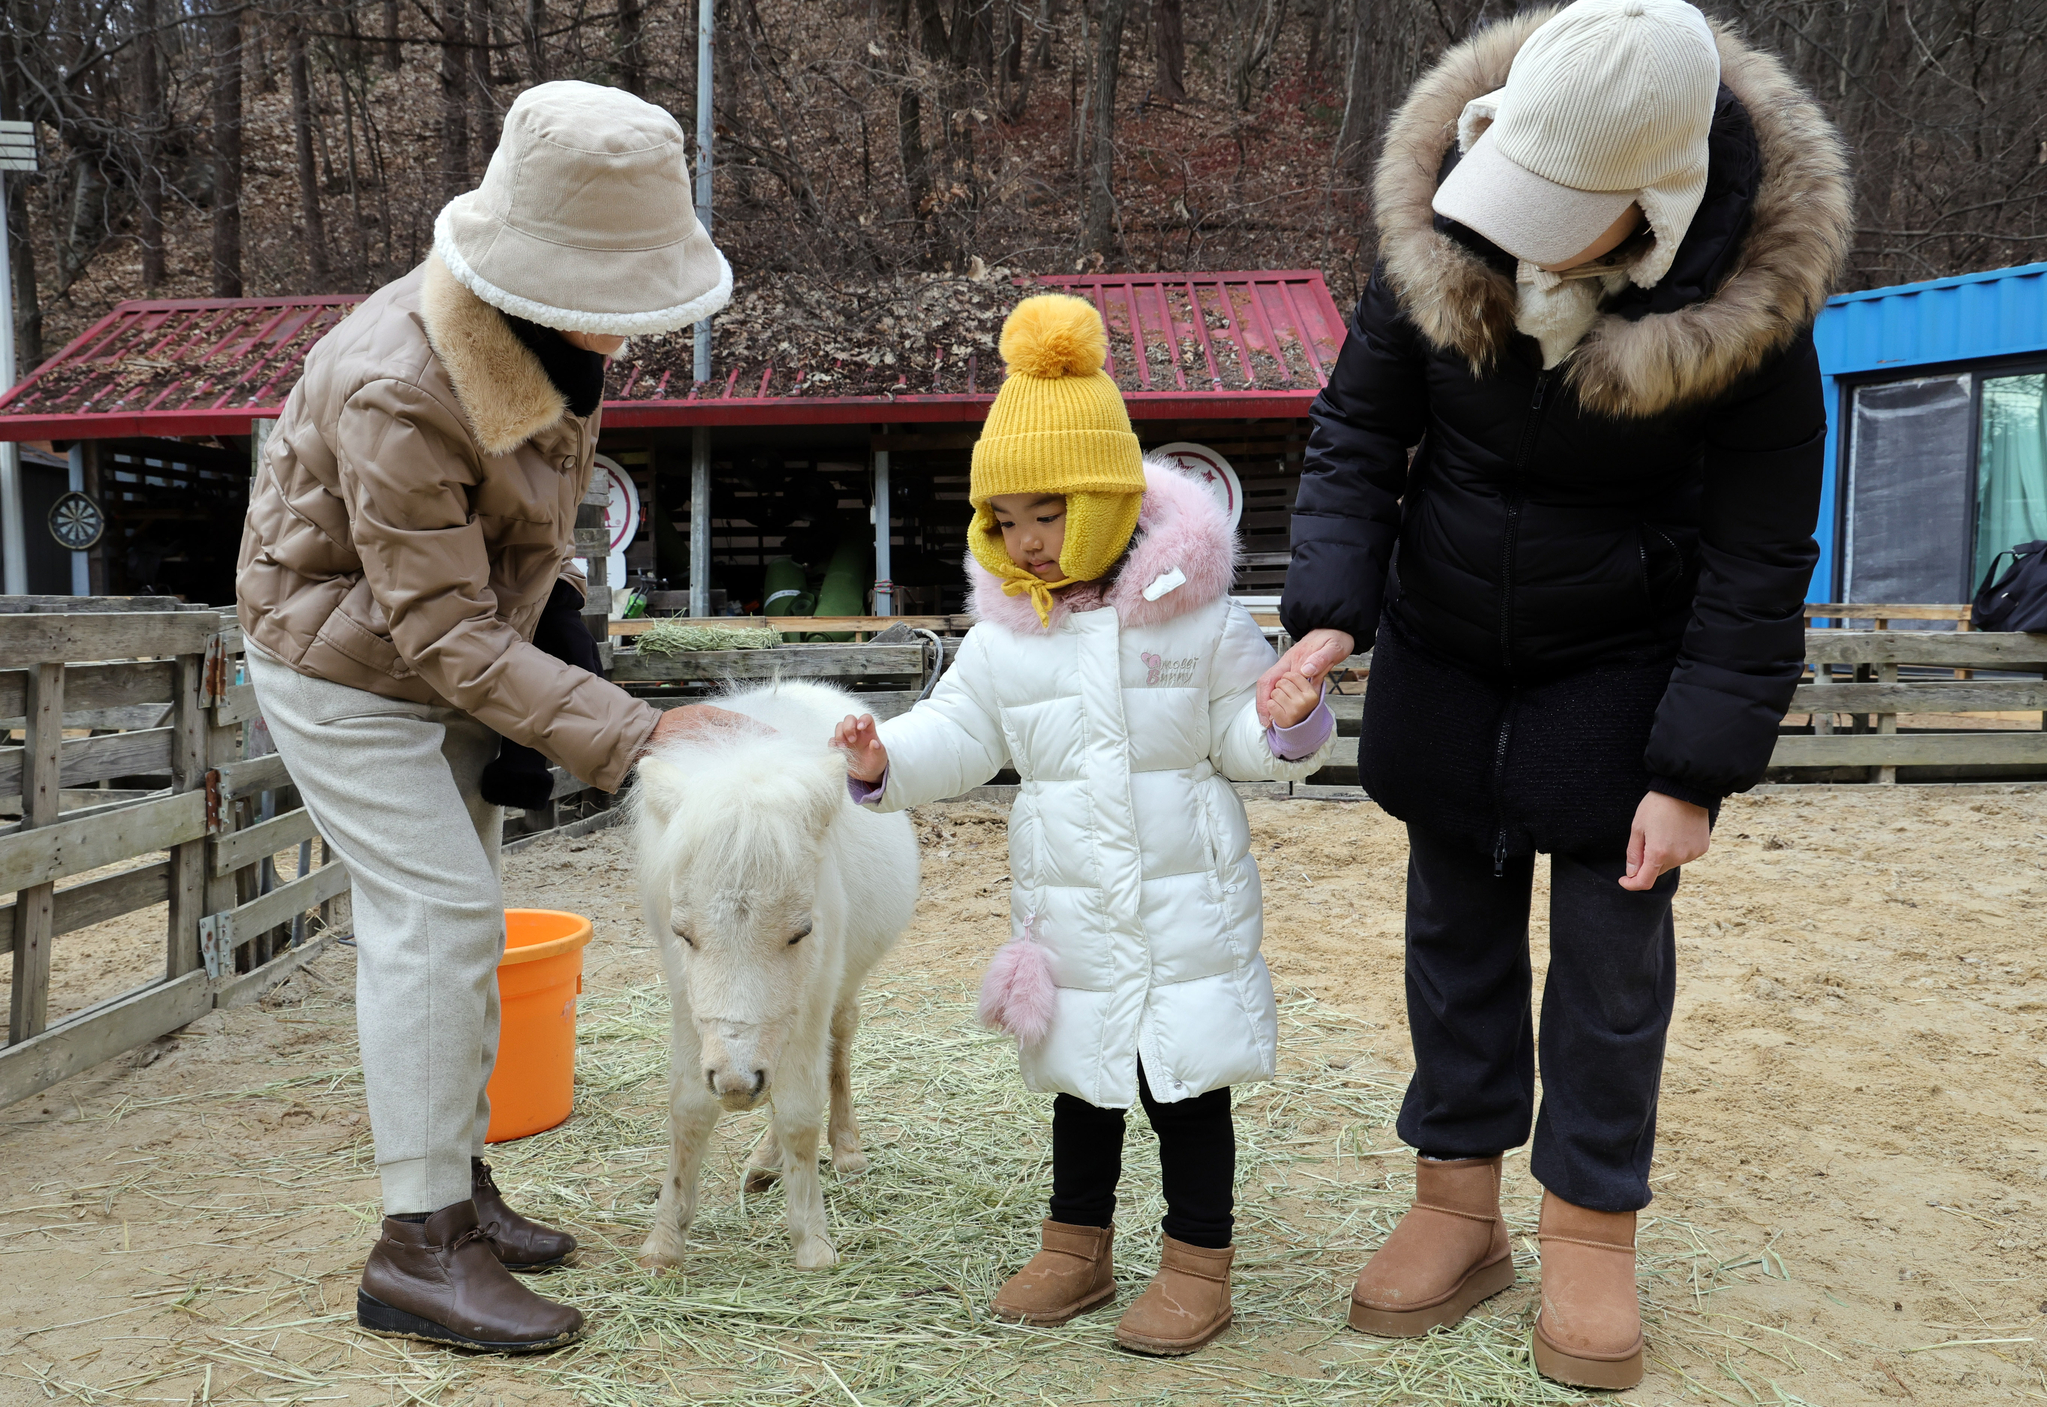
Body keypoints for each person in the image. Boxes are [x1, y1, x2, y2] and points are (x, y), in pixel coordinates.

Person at [1260, 0, 1851, 1390]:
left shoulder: (1753, 312)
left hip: (1621, 671)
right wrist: (1328, 612)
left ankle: (1588, 1227)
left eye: (1556, 213)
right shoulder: (1438, 221)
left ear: (1652, 203)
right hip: (1445, 645)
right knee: (1449, 938)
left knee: (1606, 967)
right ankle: (1455, 1206)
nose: (1512, 232)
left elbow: (1759, 555)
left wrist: (1692, 767)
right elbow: (1356, 433)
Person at [236, 81, 746, 1353]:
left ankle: (455, 1190)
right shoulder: (400, 381)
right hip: (342, 662)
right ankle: (416, 1248)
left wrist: (558, 620)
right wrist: (631, 734)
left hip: (446, 649)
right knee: (439, 919)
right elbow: (435, 628)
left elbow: (499, 555)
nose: (625, 330)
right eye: (609, 297)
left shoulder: (541, 340)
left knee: (465, 900)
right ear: (541, 276)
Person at [831, 294, 1334, 1356]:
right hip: (1069, 906)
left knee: (1184, 1088)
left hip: (1180, 902)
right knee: (1082, 1081)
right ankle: (1076, 1246)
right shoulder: (1010, 636)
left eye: (1045, 517)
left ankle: (1200, 1263)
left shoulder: (1198, 615)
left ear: (1105, 500)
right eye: (1002, 524)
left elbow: (1239, 742)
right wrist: (886, 764)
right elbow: (961, 732)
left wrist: (1283, 722)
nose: (1025, 543)